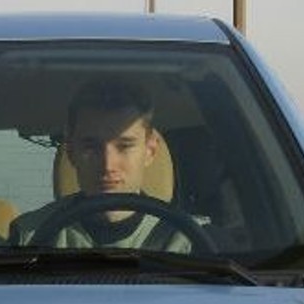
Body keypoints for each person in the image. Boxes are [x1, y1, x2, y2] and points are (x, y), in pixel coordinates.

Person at [11, 76, 187, 250]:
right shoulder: (28, 236)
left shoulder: (190, 241)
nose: (107, 165)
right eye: (91, 147)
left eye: (124, 146)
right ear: (71, 152)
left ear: (151, 151)